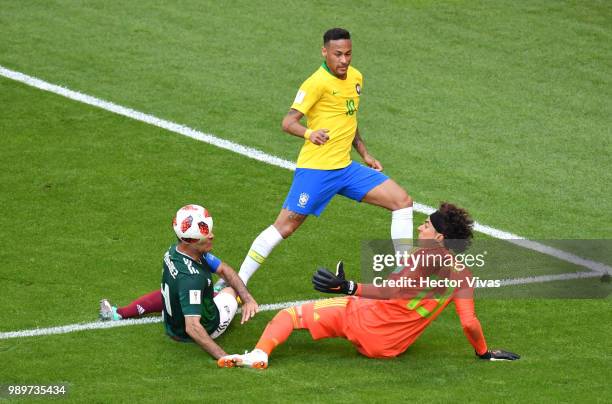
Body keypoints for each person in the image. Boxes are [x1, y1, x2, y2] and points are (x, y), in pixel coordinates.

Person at [216, 27, 414, 290]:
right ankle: (236, 282)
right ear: (325, 52)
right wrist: (310, 133)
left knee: (402, 201)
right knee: (284, 227)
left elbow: (349, 118)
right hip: (317, 171)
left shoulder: (356, 78)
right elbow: (288, 122)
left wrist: (364, 152)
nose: (344, 60)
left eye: (348, 54)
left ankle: (405, 275)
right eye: (338, 54)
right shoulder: (315, 83)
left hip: (345, 169)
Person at [217, 203, 520, 368]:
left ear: (440, 237)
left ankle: (259, 354)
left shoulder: (424, 258)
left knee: (288, 316)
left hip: (365, 321)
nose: (420, 226)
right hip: (390, 348)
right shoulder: (463, 274)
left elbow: (390, 292)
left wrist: (348, 287)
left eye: (426, 224)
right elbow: (469, 323)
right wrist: (483, 352)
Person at [101, 204, 258, 361]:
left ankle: (119, 313)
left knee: (174, 290)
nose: (212, 236)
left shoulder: (174, 251)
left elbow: (223, 270)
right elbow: (193, 327)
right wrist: (224, 357)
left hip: (172, 322)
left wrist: (248, 299)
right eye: (205, 234)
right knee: (230, 290)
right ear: (190, 241)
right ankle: (217, 292)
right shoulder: (192, 279)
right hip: (207, 327)